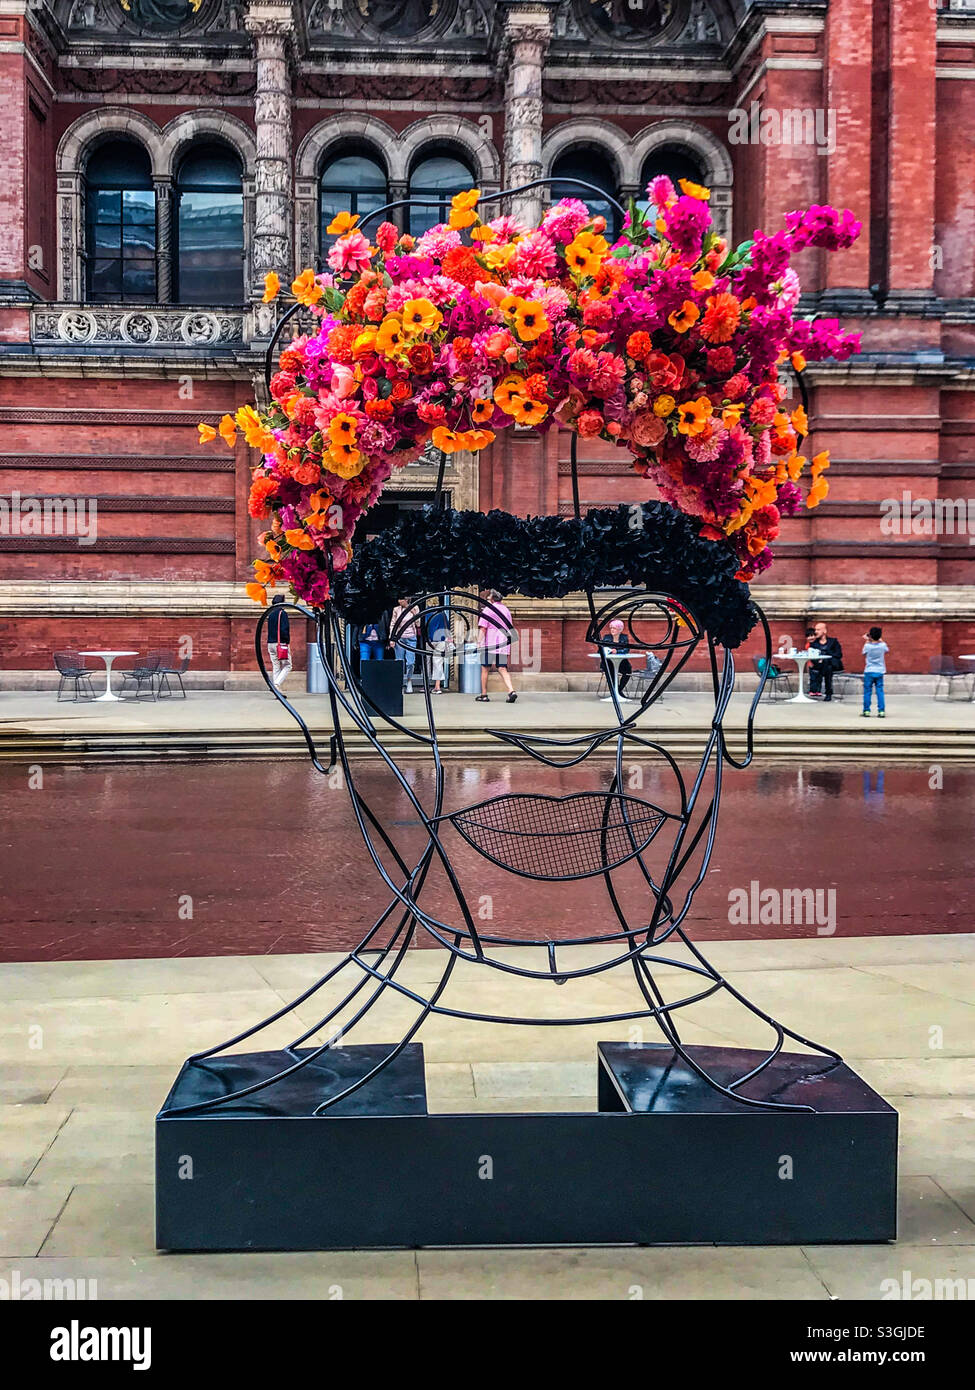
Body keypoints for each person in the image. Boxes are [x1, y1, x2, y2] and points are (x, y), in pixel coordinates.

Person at [476, 589, 517, 703]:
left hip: (490, 643)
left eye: (489, 597)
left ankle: (484, 694)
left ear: (492, 598)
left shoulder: (488, 610)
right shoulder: (506, 610)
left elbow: (483, 628)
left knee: (485, 669)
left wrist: (479, 642)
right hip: (503, 643)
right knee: (502, 668)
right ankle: (511, 691)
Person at [808, 621, 843, 701]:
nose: (816, 632)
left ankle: (817, 690)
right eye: (815, 630)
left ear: (824, 631)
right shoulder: (814, 644)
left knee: (828, 665)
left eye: (818, 630)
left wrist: (826, 653)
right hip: (820, 665)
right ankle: (828, 693)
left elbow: (838, 655)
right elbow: (812, 657)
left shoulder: (833, 642)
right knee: (827, 667)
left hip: (833, 665)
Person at [389, 597, 418, 694]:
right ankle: (399, 683)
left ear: (407, 600)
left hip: (411, 637)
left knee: (410, 662)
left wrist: (414, 613)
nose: (399, 601)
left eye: (401, 599)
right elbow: (393, 624)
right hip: (399, 638)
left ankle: (409, 681)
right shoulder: (396, 609)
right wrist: (392, 638)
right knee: (399, 661)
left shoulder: (415, 607)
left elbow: (419, 624)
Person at [600, 618, 634, 701]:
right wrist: (607, 650)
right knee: (610, 673)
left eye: (614, 628)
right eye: (611, 628)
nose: (612, 630)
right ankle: (616, 693)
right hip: (609, 662)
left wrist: (617, 651)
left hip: (621, 662)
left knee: (628, 672)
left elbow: (626, 650)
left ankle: (617, 691)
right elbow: (601, 649)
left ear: (620, 629)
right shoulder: (606, 637)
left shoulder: (624, 637)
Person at [861, 625, 889, 718]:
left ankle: (866, 711)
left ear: (871, 636)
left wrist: (867, 640)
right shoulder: (882, 646)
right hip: (880, 671)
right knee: (880, 691)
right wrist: (880, 639)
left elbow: (863, 653)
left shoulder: (867, 646)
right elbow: (887, 650)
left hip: (869, 670)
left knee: (867, 691)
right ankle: (881, 711)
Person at [266, 594, 291, 689]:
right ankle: (276, 684)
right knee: (288, 665)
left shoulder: (270, 613)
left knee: (276, 666)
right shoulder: (282, 613)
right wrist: (287, 641)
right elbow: (284, 629)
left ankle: (276, 690)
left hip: (270, 643)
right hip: (280, 644)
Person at [426, 605, 452, 694]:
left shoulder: (426, 613)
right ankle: (437, 686)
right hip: (441, 639)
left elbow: (422, 626)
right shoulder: (443, 614)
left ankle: (426, 684)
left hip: (430, 640)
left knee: (427, 662)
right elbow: (447, 626)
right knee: (438, 662)